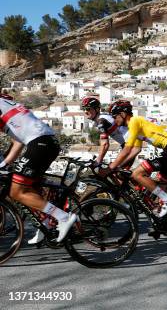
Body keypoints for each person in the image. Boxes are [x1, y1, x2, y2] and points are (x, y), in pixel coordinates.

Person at [0, 93, 77, 244]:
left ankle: (63, 217)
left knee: (17, 191)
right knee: (30, 188)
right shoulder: (9, 112)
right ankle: (46, 222)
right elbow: (18, 143)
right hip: (45, 142)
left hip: (40, 143)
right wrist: (4, 164)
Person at [100, 100, 167, 217]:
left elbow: (127, 149)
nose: (115, 120)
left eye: (115, 117)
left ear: (123, 114)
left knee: (137, 174)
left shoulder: (134, 121)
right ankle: (164, 223)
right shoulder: (137, 125)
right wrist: (118, 166)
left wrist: (111, 167)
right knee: (158, 187)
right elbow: (135, 149)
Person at [81, 96, 129, 166]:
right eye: (84, 109)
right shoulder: (101, 118)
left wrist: (97, 162)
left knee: (115, 172)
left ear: (97, 109)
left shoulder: (101, 121)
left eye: (88, 109)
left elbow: (105, 144)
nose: (85, 111)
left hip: (129, 145)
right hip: (126, 145)